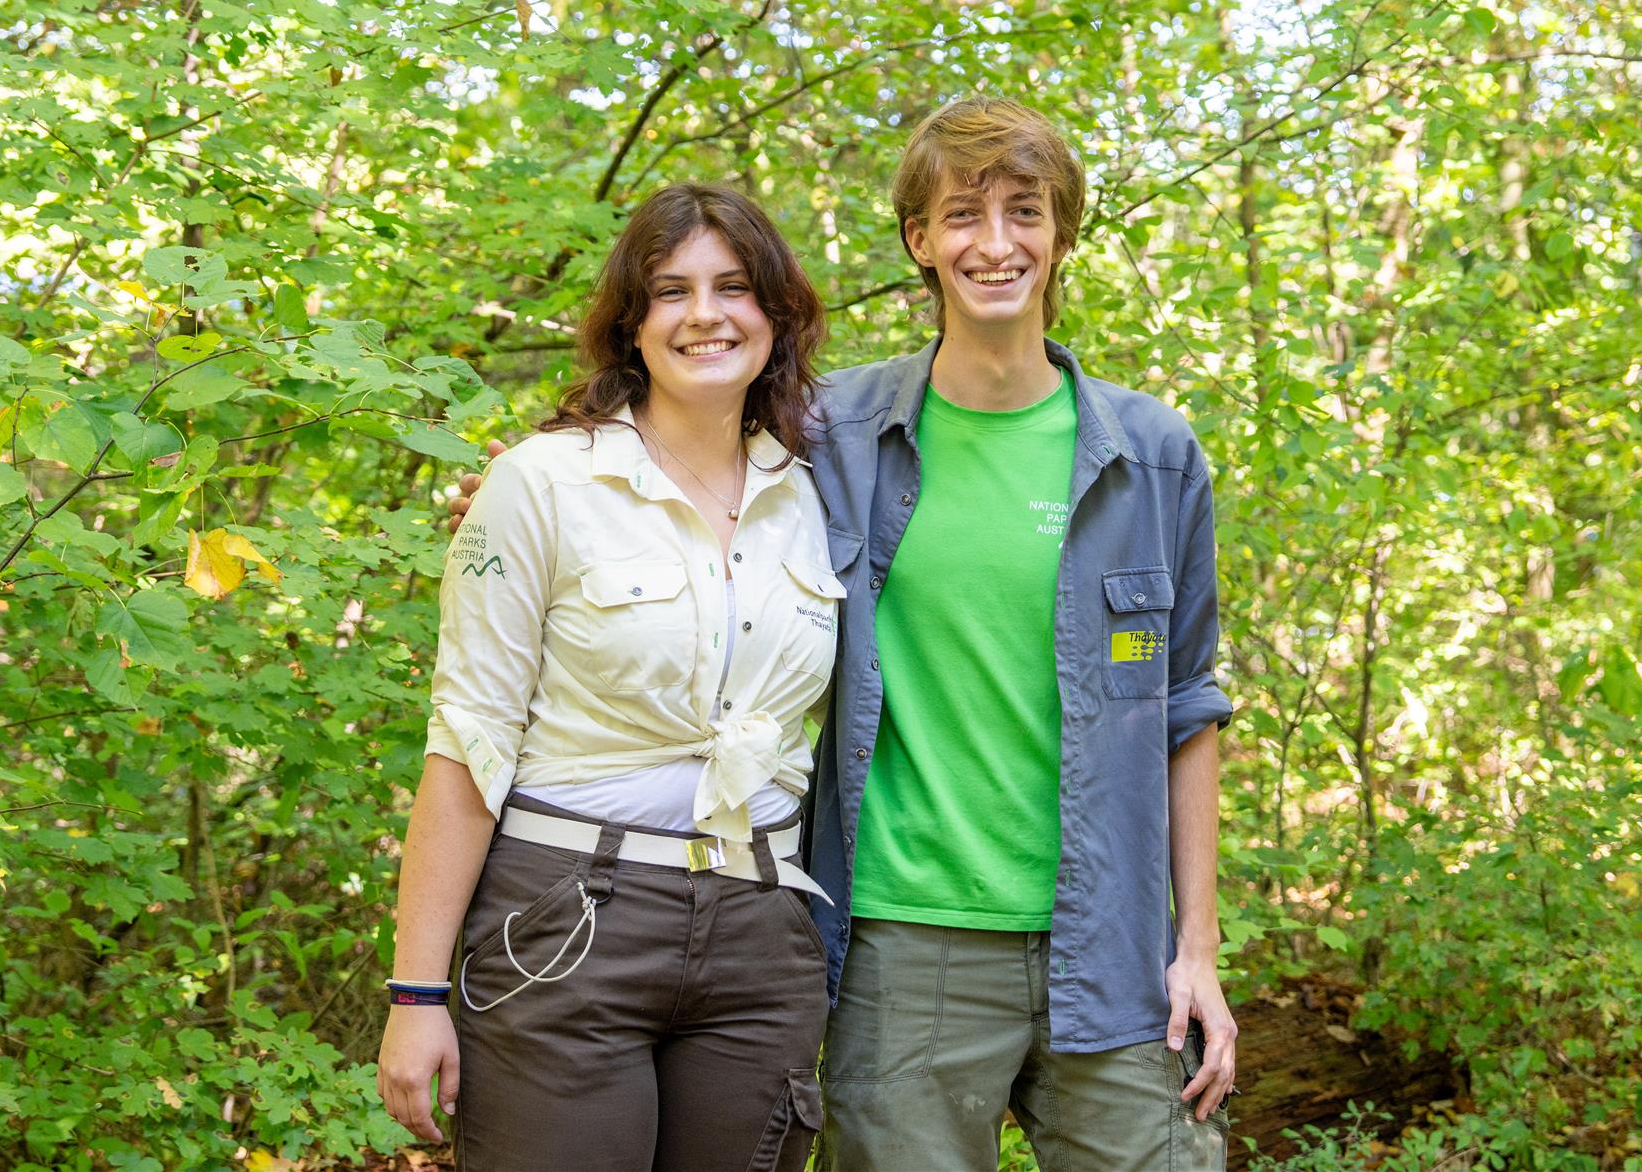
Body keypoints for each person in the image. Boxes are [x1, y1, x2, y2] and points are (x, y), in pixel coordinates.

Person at [449, 97, 1237, 1171]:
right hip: (902, 947)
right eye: (962, 215)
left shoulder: (1150, 455)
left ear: (1062, 232)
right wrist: (524, 486)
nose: (994, 243)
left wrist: (1197, 948)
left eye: (1024, 212)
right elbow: (677, 450)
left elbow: (1187, 707)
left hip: (1115, 946)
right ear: (919, 239)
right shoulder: (832, 436)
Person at [380, 183, 840, 1172]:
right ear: (630, 325)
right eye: (670, 291)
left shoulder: (818, 490)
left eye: (733, 288)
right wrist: (414, 996)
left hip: (761, 931)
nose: (704, 315)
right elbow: (465, 747)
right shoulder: (540, 485)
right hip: (567, 920)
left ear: (776, 313)